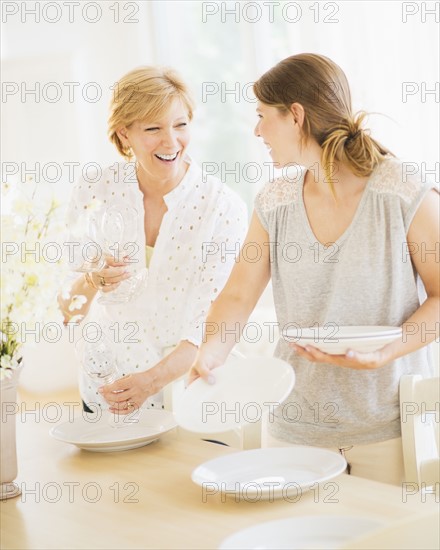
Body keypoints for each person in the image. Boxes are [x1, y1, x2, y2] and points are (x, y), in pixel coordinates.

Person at [189, 53, 439, 485]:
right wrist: (211, 352)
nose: (257, 130)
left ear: (297, 116)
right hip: (294, 429)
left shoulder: (402, 191)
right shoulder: (274, 200)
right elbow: (237, 295)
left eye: (263, 116)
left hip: (389, 428)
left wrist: (388, 351)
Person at [58, 66, 247, 414]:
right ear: (124, 133)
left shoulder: (222, 207)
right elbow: (68, 308)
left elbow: (208, 324)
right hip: (108, 389)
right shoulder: (94, 190)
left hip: (193, 392)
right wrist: (91, 280)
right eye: (152, 128)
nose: (171, 142)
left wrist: (150, 381)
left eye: (180, 125)